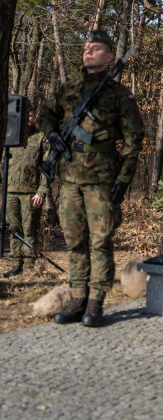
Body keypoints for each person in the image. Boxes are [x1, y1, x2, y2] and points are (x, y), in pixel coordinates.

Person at [38, 30, 144, 327]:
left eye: (95, 48)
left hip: (101, 181)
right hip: (70, 179)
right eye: (86, 47)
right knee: (74, 241)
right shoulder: (68, 88)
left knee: (100, 242)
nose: (88, 51)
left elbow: (134, 138)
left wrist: (124, 178)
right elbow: (46, 114)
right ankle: (77, 298)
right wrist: (53, 134)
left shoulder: (120, 95)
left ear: (109, 57)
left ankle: (96, 302)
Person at [1, 105, 48, 277]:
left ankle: (29, 266)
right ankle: (16, 265)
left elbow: (47, 168)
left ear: (35, 116)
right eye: (26, 114)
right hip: (10, 192)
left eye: (31, 114)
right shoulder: (10, 136)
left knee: (29, 231)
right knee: (13, 229)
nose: (28, 117)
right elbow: (2, 164)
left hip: (31, 193)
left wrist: (41, 191)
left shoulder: (41, 137)